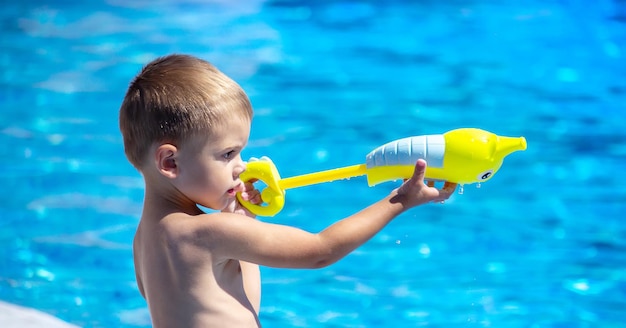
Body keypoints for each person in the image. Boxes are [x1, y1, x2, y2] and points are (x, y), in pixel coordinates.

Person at [119, 54, 457, 328]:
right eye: (227, 154)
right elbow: (319, 251)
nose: (240, 165)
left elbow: (240, 306)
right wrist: (399, 200)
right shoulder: (205, 232)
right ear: (170, 162)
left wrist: (244, 221)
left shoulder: (144, 242)